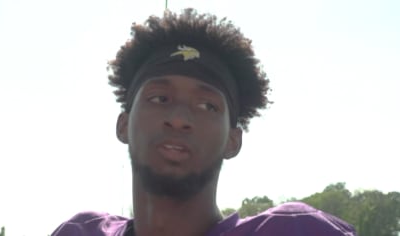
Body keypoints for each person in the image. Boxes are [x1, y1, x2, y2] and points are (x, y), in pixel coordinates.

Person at [51, 8, 356, 236]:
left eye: (207, 105)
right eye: (160, 98)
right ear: (123, 125)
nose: (180, 119)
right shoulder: (81, 231)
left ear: (232, 140)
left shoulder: (296, 230)